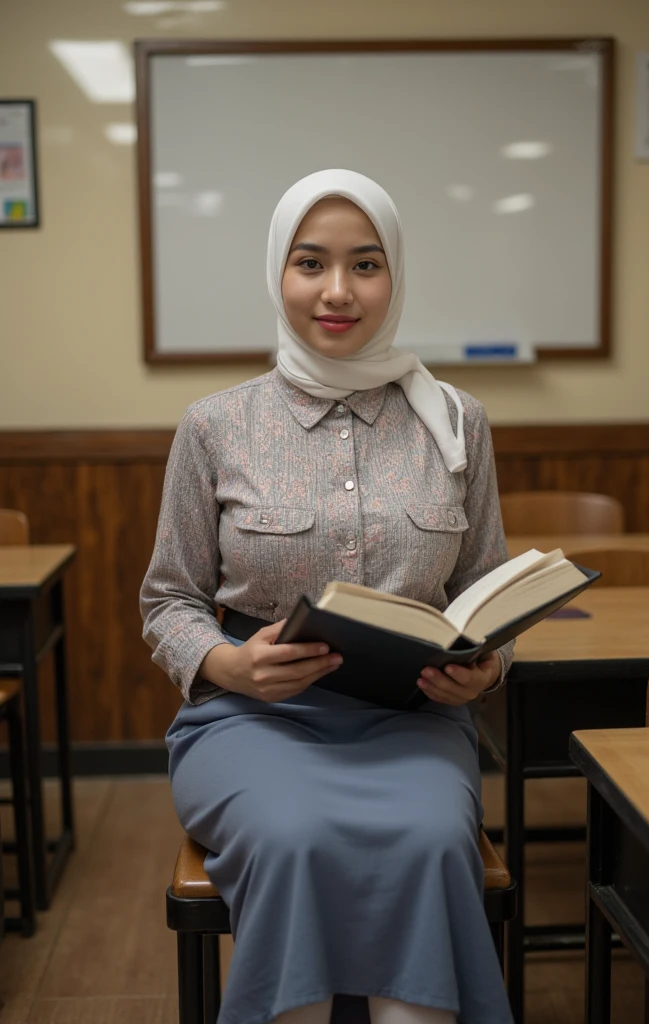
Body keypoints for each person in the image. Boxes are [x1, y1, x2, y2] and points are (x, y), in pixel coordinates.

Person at [141, 169, 514, 1024]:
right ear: (279, 272)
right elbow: (168, 601)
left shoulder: (457, 422)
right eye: (311, 263)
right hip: (249, 723)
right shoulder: (214, 425)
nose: (338, 291)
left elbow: (485, 592)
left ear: (396, 276)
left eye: (366, 265)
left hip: (413, 723)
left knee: (428, 842)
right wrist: (229, 665)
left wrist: (485, 670)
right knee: (294, 838)